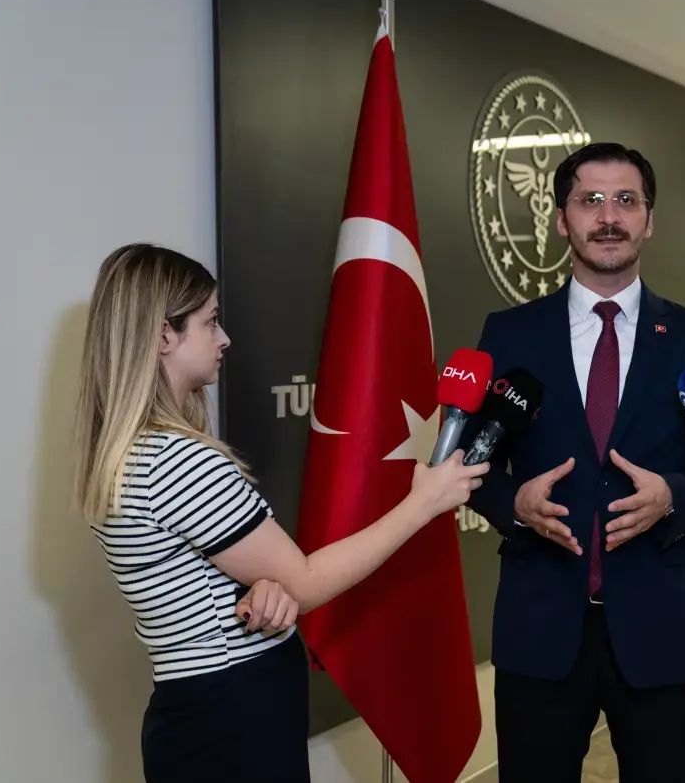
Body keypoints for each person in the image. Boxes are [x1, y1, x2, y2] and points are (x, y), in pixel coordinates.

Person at [71, 244, 488, 783]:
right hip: (233, 718)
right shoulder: (174, 459)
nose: (224, 338)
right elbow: (304, 581)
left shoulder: (130, 453)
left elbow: (229, 575)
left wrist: (267, 587)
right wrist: (424, 502)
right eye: (210, 322)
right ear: (162, 336)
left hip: (203, 712)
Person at [465, 142, 685, 783]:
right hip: (539, 630)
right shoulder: (509, 333)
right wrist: (514, 504)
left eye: (626, 200)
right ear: (561, 220)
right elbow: (468, 464)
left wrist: (673, 496)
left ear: (649, 220)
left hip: (659, 629)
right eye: (590, 200)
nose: (609, 217)